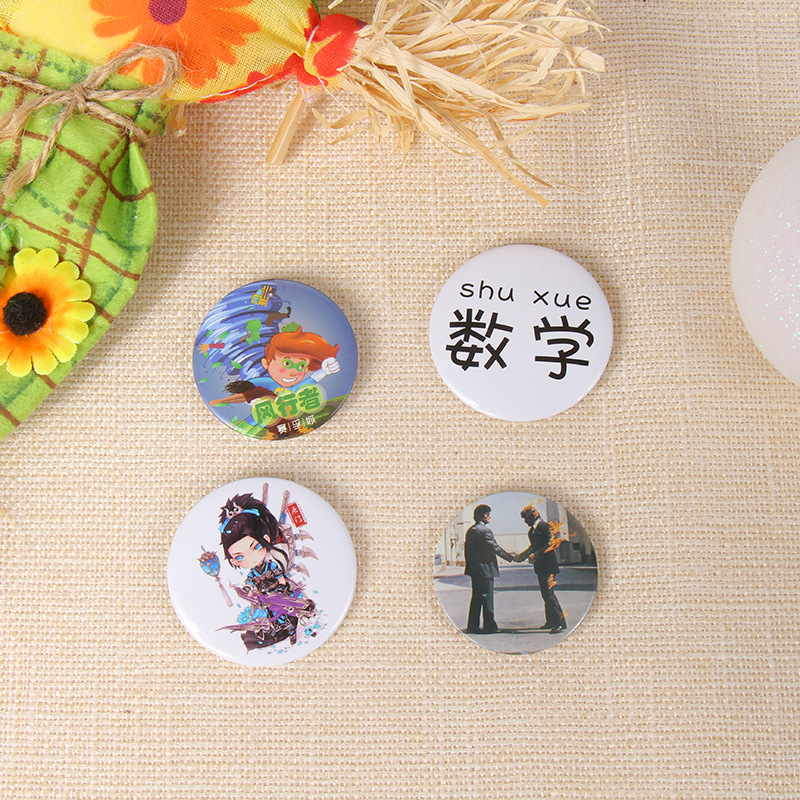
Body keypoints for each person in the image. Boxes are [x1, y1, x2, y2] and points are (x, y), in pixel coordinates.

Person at [219, 498, 316, 650]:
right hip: (266, 599)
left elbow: (280, 577)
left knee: (287, 613)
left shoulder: (271, 564)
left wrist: (282, 588)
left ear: (265, 539)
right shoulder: (253, 573)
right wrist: (248, 590)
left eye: (255, 547)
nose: (250, 558)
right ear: (234, 561)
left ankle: (294, 629)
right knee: (268, 617)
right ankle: (269, 631)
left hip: (278, 593)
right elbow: (250, 583)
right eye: (240, 557)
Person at [210, 326, 340, 407]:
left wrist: (324, 371)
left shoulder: (294, 389)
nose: (293, 372)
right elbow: (246, 394)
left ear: (306, 369)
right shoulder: (264, 385)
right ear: (266, 363)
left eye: (301, 366)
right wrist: (222, 401)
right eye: (287, 364)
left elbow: (311, 380)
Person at [515, 503, 566, 633]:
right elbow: (533, 547)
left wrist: (536, 555)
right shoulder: (531, 531)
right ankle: (551, 622)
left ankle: (560, 623)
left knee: (549, 594)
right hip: (541, 567)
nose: (525, 522)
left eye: (526, 519)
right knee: (546, 595)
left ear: (532, 517)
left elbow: (550, 544)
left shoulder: (545, 527)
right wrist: (521, 556)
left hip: (548, 566)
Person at [464, 504, 514, 634]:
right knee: (487, 598)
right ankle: (489, 627)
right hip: (485, 570)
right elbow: (495, 548)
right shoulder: (485, 531)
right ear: (483, 516)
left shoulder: (470, 531)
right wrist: (511, 557)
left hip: (475, 570)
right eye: (488, 514)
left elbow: (467, 552)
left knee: (476, 598)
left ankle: (473, 626)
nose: (490, 517)